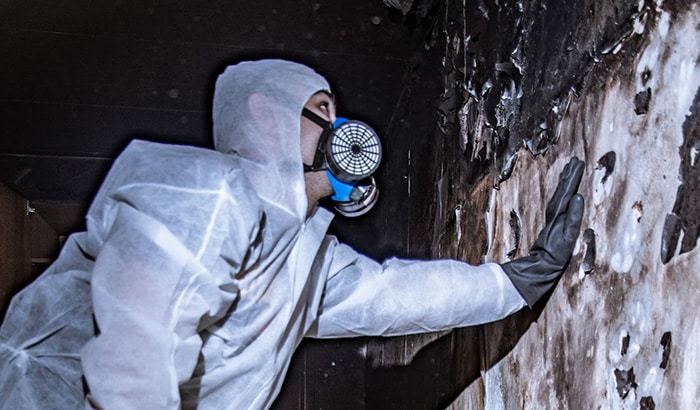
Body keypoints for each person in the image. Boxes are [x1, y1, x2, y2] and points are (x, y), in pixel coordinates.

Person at [0, 59, 584, 409]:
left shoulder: (302, 259)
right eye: (323, 109)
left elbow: (391, 298)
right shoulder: (202, 192)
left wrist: (515, 281)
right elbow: (137, 345)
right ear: (265, 113)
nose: (341, 129)